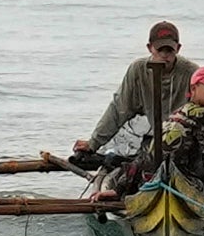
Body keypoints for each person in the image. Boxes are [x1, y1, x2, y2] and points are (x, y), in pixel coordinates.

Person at [105, 67, 204, 214]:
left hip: (148, 178)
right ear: (193, 88)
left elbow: (146, 156)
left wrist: (119, 189)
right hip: (175, 180)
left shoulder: (177, 114)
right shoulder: (201, 115)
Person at [75, 21, 194, 164]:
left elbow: (203, 114)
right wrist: (93, 143)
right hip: (155, 139)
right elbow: (119, 108)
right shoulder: (138, 70)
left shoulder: (191, 72)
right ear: (150, 48)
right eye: (159, 50)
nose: (164, 56)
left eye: (169, 51)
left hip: (184, 141)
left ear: (178, 49)